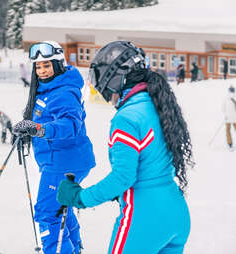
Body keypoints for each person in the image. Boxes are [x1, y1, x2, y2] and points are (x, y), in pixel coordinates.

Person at [57, 41, 194, 254]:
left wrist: (80, 198)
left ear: (114, 79)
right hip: (175, 213)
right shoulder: (158, 103)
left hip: (143, 218)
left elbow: (124, 177)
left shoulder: (126, 118)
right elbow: (151, 162)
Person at [12, 41, 96, 254]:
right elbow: (44, 119)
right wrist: (29, 133)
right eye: (38, 67)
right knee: (61, 207)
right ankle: (74, 249)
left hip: (64, 162)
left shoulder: (64, 92)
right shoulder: (48, 88)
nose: (42, 71)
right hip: (61, 159)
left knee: (47, 213)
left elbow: (70, 125)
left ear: (58, 64)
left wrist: (39, 129)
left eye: (47, 65)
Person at [222, 86, 236, 150]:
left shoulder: (225, 98)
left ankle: (230, 143)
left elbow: (223, 109)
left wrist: (226, 114)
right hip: (235, 118)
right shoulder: (235, 97)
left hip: (228, 118)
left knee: (228, 130)